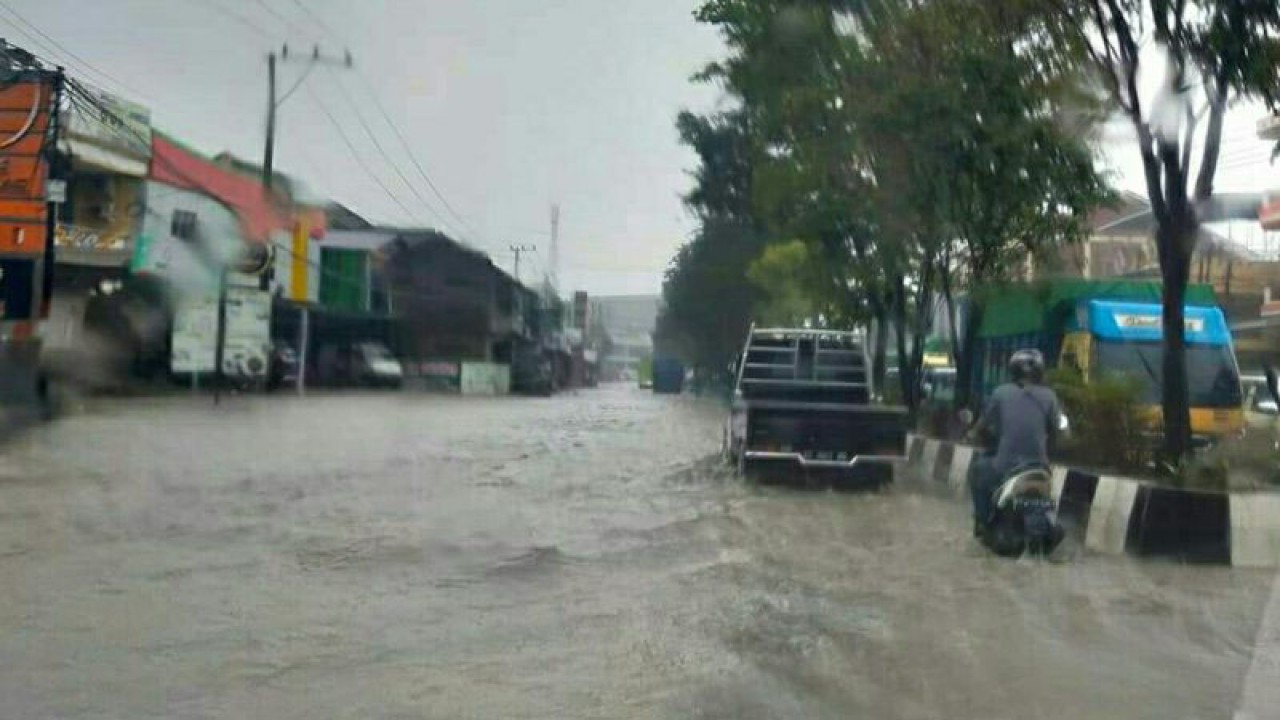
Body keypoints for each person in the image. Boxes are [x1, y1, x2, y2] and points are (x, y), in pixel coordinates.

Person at [966, 349, 1062, 536]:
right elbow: (1061, 428)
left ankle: (982, 522)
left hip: (1006, 465)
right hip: (1040, 467)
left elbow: (982, 425)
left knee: (978, 471)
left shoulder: (1000, 393)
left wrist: (972, 433)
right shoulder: (1050, 397)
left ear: (1013, 370)